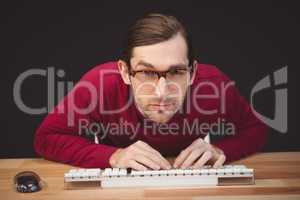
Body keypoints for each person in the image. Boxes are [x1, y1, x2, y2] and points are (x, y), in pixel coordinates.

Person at [34, 13, 268, 170]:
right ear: (125, 72)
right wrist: (112, 156)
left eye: (176, 71)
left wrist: (220, 150)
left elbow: (256, 130)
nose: (162, 92)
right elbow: (46, 138)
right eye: (147, 73)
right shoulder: (99, 84)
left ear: (193, 72)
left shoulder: (214, 84)